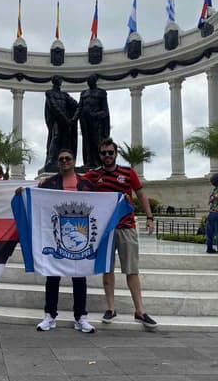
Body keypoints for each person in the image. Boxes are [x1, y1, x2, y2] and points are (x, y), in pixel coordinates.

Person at [83, 138, 158, 329]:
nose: (107, 156)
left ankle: (140, 311)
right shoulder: (93, 175)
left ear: (116, 154)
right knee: (107, 270)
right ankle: (111, 308)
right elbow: (73, 185)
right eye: (103, 153)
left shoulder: (128, 172)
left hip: (126, 227)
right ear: (99, 155)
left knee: (131, 270)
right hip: (105, 230)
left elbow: (141, 195)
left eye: (110, 152)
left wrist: (149, 217)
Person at [36, 148, 96, 334]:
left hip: (81, 239)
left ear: (74, 160)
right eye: (61, 159)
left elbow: (100, 204)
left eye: (67, 158)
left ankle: (80, 317)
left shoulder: (86, 184)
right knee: (52, 276)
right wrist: (23, 191)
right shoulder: (49, 183)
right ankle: (50, 315)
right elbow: (37, 200)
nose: (64, 161)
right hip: (56, 239)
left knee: (80, 277)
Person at [43, 75, 78, 172]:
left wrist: (74, 118)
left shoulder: (65, 95)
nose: (60, 82)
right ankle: (51, 159)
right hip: (56, 121)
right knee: (56, 137)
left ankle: (67, 160)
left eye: (60, 80)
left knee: (66, 141)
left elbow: (75, 104)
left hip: (66, 122)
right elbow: (54, 107)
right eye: (58, 80)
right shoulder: (49, 93)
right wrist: (65, 119)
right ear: (54, 81)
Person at [74, 74, 110, 168]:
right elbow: (80, 107)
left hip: (96, 122)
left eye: (91, 80)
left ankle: (99, 163)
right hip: (85, 121)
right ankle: (88, 162)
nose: (89, 82)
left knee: (97, 142)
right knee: (86, 142)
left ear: (95, 81)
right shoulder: (83, 93)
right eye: (88, 80)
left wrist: (95, 115)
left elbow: (105, 110)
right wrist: (74, 119)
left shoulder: (101, 92)